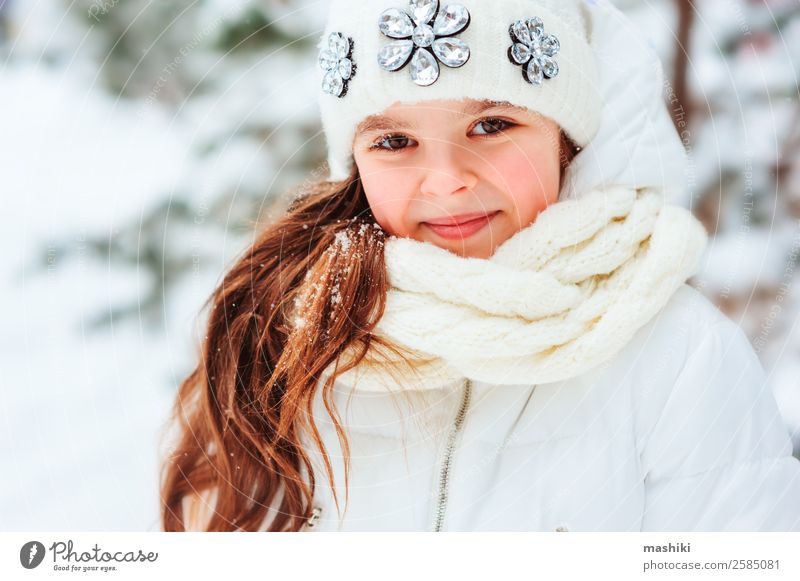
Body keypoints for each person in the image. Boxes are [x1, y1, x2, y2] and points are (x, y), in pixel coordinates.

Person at [160, 0, 800, 532]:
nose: (446, 181)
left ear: (565, 140)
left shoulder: (677, 354)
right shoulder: (297, 338)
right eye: (394, 141)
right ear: (354, 160)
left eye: (492, 124)